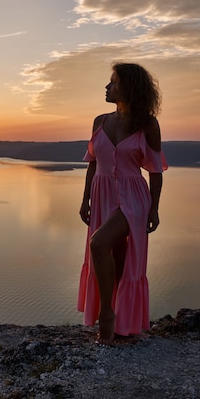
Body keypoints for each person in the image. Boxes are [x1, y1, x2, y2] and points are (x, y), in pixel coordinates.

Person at [77, 62, 167, 345]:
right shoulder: (100, 122)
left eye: (113, 82)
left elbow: (154, 169)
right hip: (103, 195)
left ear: (128, 88)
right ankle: (120, 324)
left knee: (99, 245)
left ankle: (107, 320)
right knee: (114, 261)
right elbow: (93, 163)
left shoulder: (148, 125)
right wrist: (85, 199)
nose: (107, 87)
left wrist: (153, 208)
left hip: (133, 199)